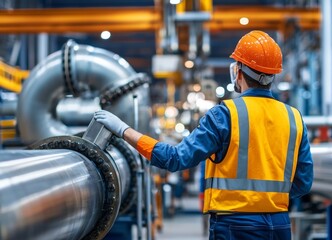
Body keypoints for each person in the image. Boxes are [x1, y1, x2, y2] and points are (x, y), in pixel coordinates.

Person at [94, 30, 313, 240]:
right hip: (280, 225)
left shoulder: (225, 115)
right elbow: (303, 183)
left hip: (235, 226)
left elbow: (175, 158)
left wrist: (124, 130)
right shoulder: (294, 118)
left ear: (238, 70)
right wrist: (268, 201)